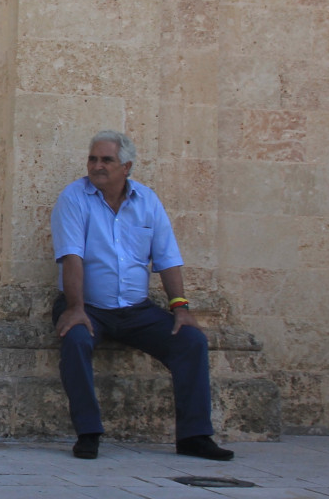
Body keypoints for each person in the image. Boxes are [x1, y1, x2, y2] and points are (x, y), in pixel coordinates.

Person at [50, 131, 233, 461]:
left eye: (107, 160)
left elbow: (167, 258)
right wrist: (76, 308)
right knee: (75, 340)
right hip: (88, 306)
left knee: (191, 341)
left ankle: (194, 436)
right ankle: (88, 432)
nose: (97, 166)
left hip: (137, 310)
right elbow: (71, 257)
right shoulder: (73, 198)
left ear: (127, 167)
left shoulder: (147, 201)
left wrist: (180, 307)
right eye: (93, 159)